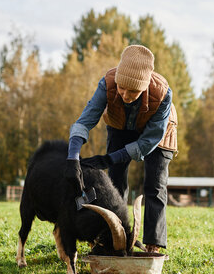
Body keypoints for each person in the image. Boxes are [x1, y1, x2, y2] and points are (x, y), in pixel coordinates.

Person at [64, 45, 177, 253]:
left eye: (133, 90)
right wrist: (73, 157)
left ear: (144, 87)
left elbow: (146, 143)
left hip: (158, 133)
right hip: (120, 124)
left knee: (155, 184)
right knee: (114, 183)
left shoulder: (163, 94)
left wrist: (107, 159)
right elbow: (84, 121)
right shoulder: (107, 83)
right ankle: (114, 238)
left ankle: (153, 244)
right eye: (121, 87)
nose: (125, 94)